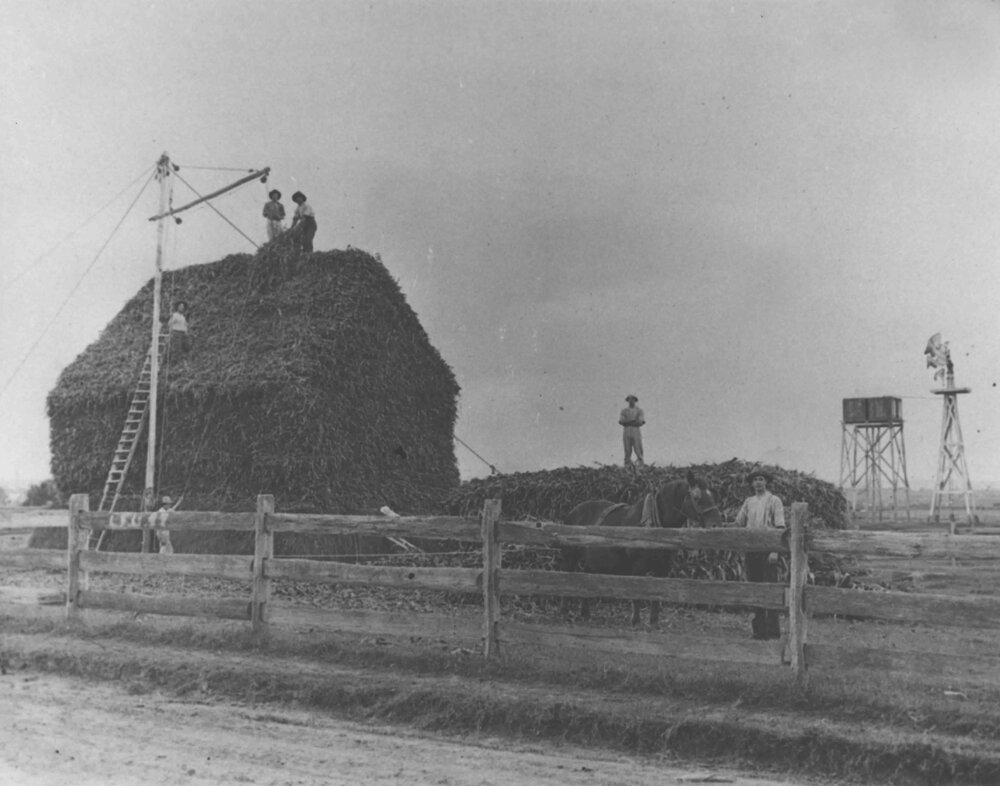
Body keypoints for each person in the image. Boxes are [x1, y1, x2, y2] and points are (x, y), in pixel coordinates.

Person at [735, 469, 785, 640]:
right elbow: (739, 522)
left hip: (768, 550)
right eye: (755, 480)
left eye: (761, 479)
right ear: (751, 483)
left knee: (769, 589)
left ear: (766, 482)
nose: (758, 482)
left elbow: (780, 528)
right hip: (752, 550)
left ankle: (772, 631)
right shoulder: (749, 502)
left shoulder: (774, 500)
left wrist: (774, 551)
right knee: (755, 588)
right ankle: (758, 630)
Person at [618, 394, 645, 467]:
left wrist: (628, 421)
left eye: (632, 399)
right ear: (627, 400)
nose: (631, 400)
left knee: (638, 447)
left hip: (635, 430)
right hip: (627, 430)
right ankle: (627, 465)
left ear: (635, 400)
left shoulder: (639, 410)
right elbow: (622, 421)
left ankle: (640, 464)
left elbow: (640, 422)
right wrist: (633, 421)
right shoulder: (624, 411)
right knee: (627, 448)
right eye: (629, 399)